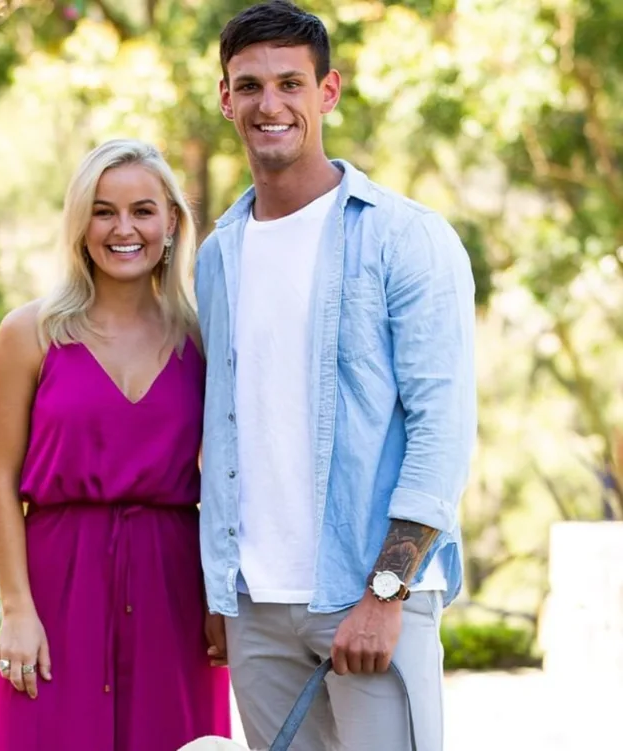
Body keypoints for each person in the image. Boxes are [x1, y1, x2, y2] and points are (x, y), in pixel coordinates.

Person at [194, 2, 477, 750]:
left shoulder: (405, 235)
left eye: (292, 83)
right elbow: (225, 427)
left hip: (371, 593)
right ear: (226, 98)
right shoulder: (218, 253)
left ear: (329, 91)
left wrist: (387, 592)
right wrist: (222, 591)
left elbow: (442, 427)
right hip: (256, 605)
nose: (270, 104)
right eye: (249, 86)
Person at [0, 139, 231, 751]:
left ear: (171, 222)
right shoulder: (28, 335)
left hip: (174, 593)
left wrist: (222, 599)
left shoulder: (204, 341)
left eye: (143, 211)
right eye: (103, 211)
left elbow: (230, 480)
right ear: (79, 224)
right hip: (56, 590)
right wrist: (17, 609)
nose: (124, 229)